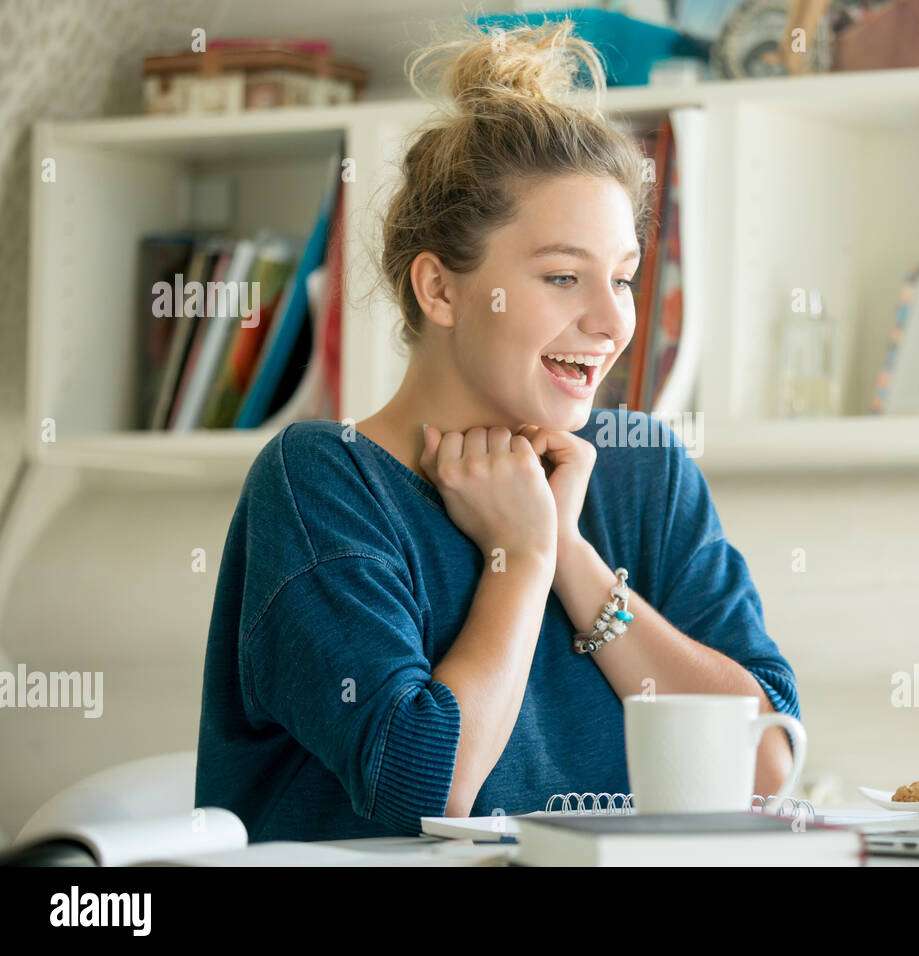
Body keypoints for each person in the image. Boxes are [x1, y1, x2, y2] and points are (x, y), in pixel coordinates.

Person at [195, 19, 801, 842]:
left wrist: (575, 563)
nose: (608, 321)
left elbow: (766, 765)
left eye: (621, 279)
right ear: (440, 291)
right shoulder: (320, 484)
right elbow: (426, 788)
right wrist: (520, 563)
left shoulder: (641, 470)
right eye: (562, 277)